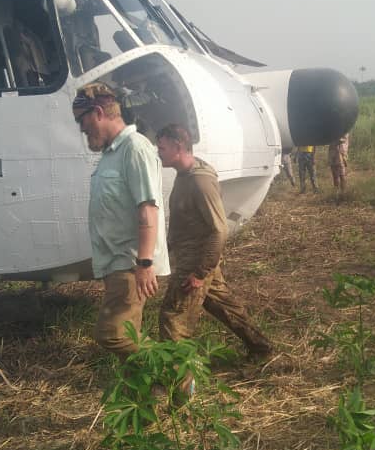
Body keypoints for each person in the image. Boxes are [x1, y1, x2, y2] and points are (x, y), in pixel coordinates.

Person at [156, 124, 272, 359]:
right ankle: (261, 349)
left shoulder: (200, 181)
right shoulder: (185, 175)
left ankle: (180, 382)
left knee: (173, 322)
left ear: (178, 147)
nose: (158, 153)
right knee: (225, 307)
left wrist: (200, 272)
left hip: (195, 264)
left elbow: (219, 230)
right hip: (196, 258)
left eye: (162, 147)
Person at [72, 82, 169, 359]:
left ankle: (180, 375)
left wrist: (145, 262)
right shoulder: (110, 155)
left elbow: (148, 208)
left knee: (113, 334)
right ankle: (151, 389)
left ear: (99, 112)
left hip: (130, 263)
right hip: (116, 262)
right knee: (126, 334)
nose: (81, 128)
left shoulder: (134, 149)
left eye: (82, 119)